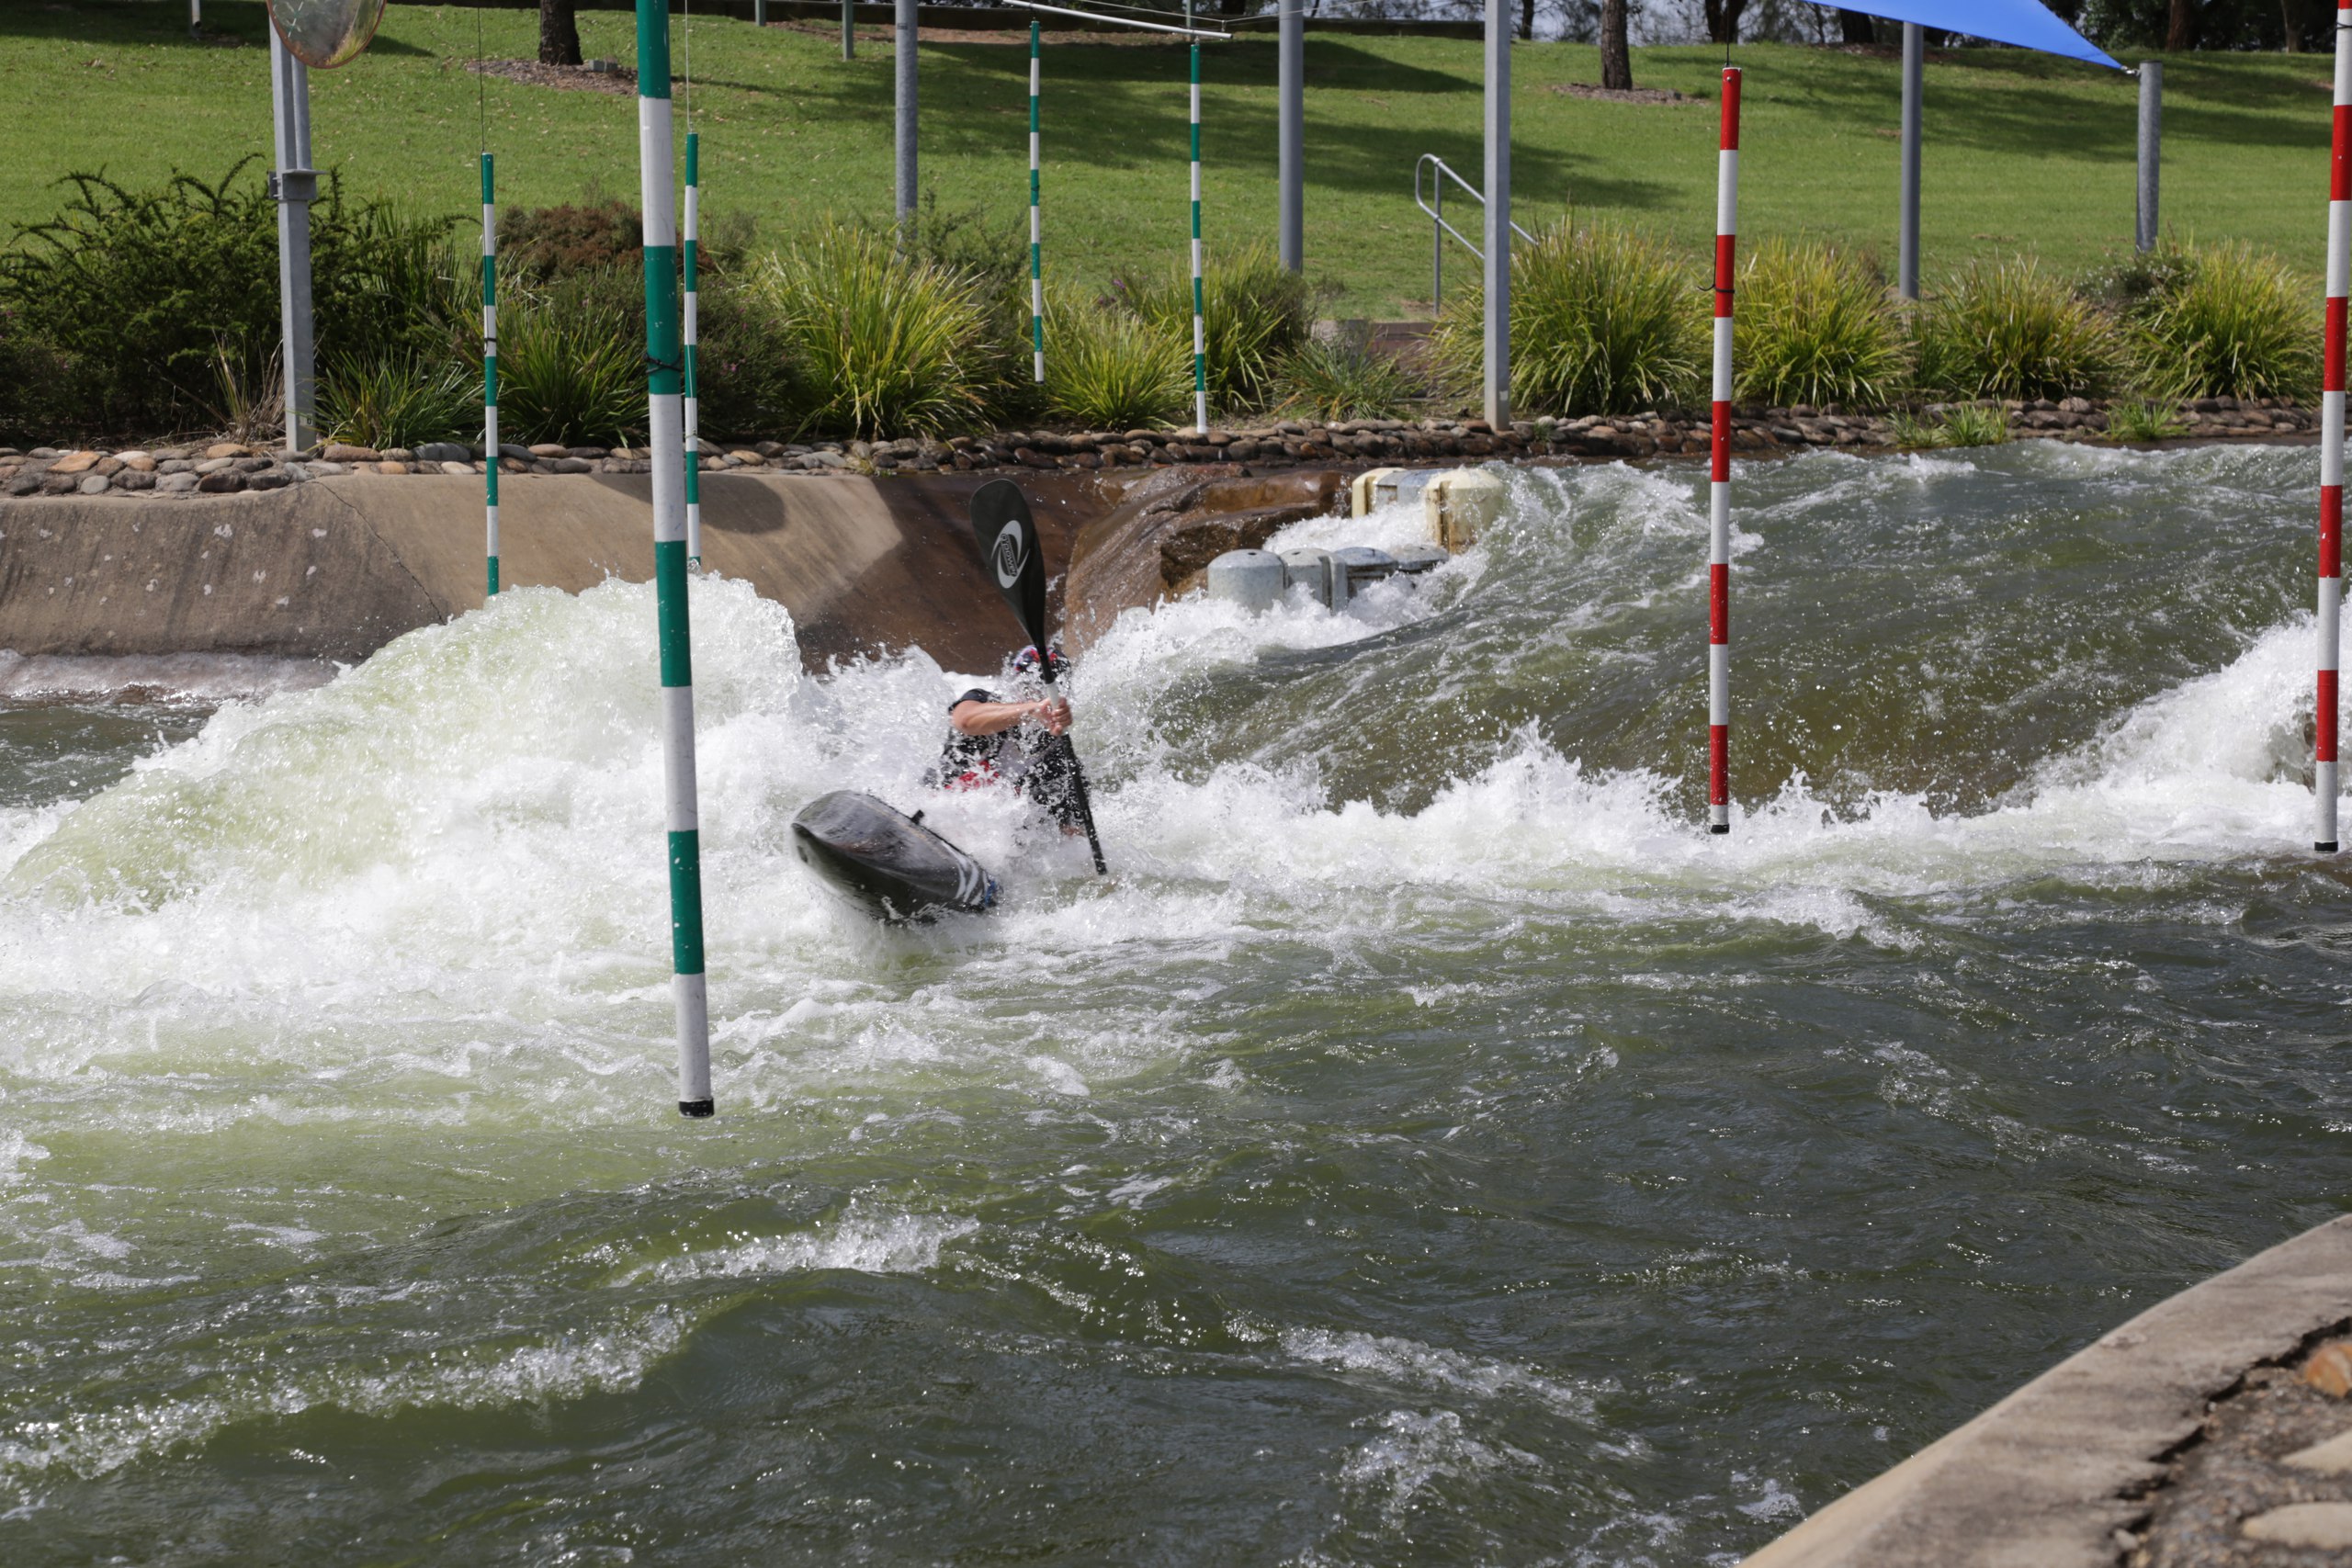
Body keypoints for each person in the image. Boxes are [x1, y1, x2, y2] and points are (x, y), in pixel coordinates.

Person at [926, 645, 1085, 830]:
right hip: (929, 815)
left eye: (1041, 689)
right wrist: (1032, 710)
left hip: (985, 842)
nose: (1031, 695)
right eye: (1024, 686)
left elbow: (1069, 836)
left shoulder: (1063, 764)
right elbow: (964, 721)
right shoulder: (982, 701)